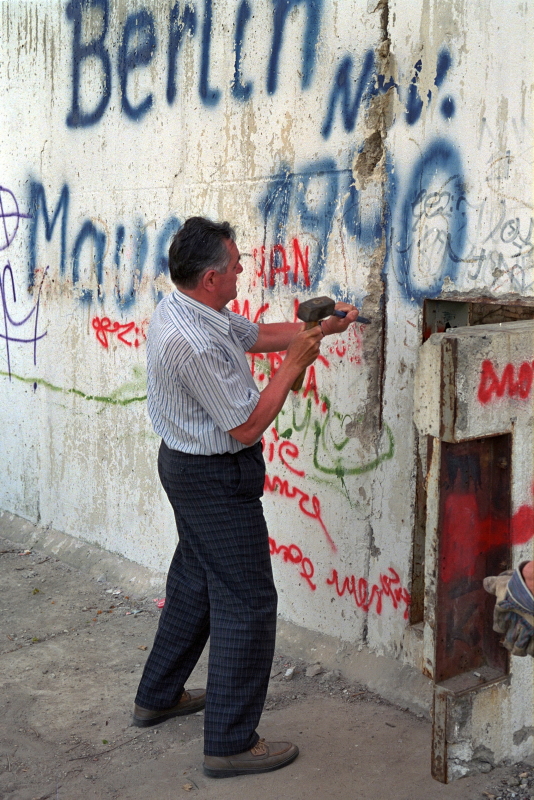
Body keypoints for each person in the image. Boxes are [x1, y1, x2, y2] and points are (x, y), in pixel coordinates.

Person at [132, 216, 358, 778]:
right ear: (210, 278)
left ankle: (158, 694)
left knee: (195, 581)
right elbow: (248, 426)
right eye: (234, 264)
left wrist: (318, 330)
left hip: (189, 471)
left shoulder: (191, 310)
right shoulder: (191, 342)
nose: (242, 268)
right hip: (212, 478)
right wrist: (297, 363)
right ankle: (230, 741)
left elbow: (256, 335)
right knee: (248, 602)